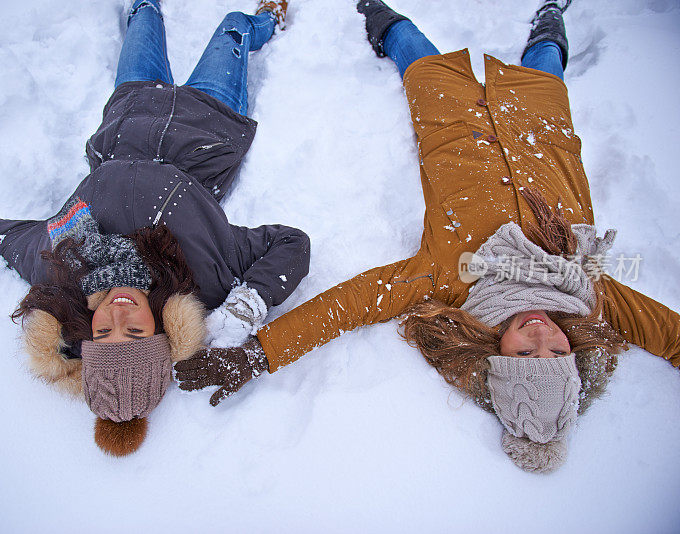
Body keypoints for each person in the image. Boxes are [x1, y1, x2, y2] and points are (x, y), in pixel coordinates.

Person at [176, 0, 680, 473]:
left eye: (525, 354)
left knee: (410, 44)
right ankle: (550, 13)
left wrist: (261, 352)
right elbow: (672, 337)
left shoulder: (450, 281)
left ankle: (373, 12)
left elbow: (355, 301)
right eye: (557, 352)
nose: (541, 335)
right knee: (547, 54)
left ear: (494, 353)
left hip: (448, 118)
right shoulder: (586, 291)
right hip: (540, 119)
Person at [0, 0, 310, 457]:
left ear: (87, 332)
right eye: (137, 333)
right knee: (233, 27)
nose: (118, 316)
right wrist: (249, 302)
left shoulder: (61, 261)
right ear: (164, 331)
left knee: (144, 15)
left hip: (130, 109)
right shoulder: (206, 277)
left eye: (104, 334)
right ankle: (268, 17)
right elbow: (291, 244)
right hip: (208, 119)